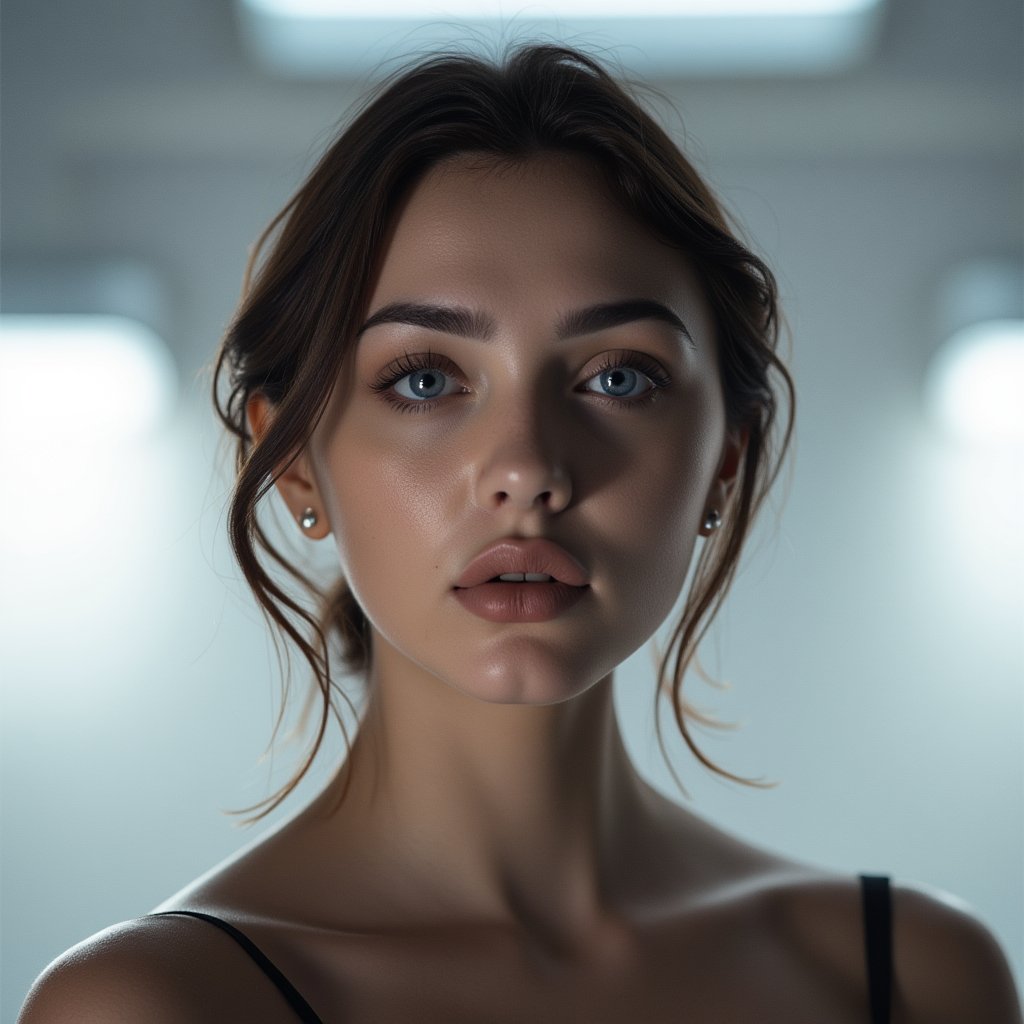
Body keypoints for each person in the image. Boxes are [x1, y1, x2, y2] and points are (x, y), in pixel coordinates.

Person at [19, 43, 1021, 1024]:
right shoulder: (155, 1005)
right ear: (290, 463)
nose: (528, 468)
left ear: (723, 455)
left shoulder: (914, 980)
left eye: (616, 377)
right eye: (424, 379)